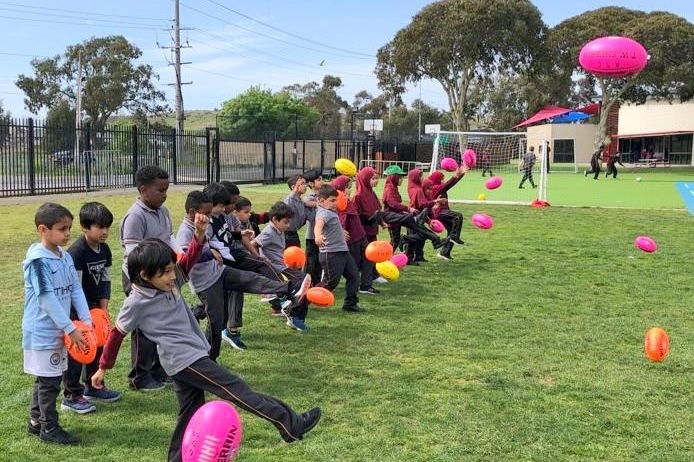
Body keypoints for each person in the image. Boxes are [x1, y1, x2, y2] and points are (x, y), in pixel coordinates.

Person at [92, 220, 321, 462]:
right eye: (166, 272)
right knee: (236, 389)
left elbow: (188, 260)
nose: (173, 276)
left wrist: (199, 235)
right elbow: (117, 333)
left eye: (172, 269)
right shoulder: (136, 301)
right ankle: (290, 424)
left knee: (189, 413)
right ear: (145, 275)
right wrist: (103, 368)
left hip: (189, 357)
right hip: (185, 360)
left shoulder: (169, 283)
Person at [23, 203, 93, 444]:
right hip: (42, 331)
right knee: (50, 381)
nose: (67, 234)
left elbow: (75, 288)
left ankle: (36, 421)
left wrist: (85, 321)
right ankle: (48, 428)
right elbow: (46, 298)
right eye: (62, 229)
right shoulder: (38, 261)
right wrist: (70, 328)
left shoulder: (64, 256)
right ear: (43, 229)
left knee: (47, 377)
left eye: (69, 228)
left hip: (60, 330)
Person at [120, 165, 179, 392]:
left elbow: (168, 237)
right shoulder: (135, 216)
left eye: (166, 190)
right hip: (140, 278)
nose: (164, 195)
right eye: (160, 190)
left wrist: (180, 254)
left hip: (159, 278)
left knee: (161, 324)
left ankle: (158, 369)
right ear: (143, 190)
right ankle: (139, 376)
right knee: (144, 328)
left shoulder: (162, 211)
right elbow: (134, 254)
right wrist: (142, 282)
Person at [63, 202, 121, 415]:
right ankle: (71, 395)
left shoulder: (104, 249)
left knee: (98, 346)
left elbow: (105, 280)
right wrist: (84, 316)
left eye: (107, 227)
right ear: (85, 228)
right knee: (79, 351)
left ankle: (93, 386)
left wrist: (102, 311)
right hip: (77, 311)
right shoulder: (77, 252)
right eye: (100, 227)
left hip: (95, 308)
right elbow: (74, 288)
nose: (105, 232)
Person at [252, 202, 312, 332]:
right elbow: (253, 244)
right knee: (305, 280)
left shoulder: (279, 229)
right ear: (274, 219)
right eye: (285, 222)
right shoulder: (269, 231)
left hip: (282, 266)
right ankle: (294, 316)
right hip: (278, 269)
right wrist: (261, 260)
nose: (288, 225)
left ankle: (282, 307)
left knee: (302, 283)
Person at [382, 165, 446, 264]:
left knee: (410, 233)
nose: (401, 180)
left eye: (402, 177)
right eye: (399, 177)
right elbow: (393, 204)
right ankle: (384, 259)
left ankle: (434, 240)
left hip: (400, 216)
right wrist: (408, 209)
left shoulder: (394, 188)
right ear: (393, 177)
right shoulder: (389, 189)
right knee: (396, 240)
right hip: (394, 218)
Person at [315, 184, 362, 312]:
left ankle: (350, 304)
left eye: (336, 200)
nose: (336, 203)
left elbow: (331, 225)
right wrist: (318, 235)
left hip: (342, 252)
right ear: (321, 201)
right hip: (331, 253)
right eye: (332, 200)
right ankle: (304, 299)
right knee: (330, 283)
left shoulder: (330, 211)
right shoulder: (323, 213)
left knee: (354, 277)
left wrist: (341, 230)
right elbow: (318, 225)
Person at [331, 175, 377, 295]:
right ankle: (330, 286)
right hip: (352, 239)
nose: (349, 190)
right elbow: (341, 217)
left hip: (360, 235)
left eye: (350, 187)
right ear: (340, 188)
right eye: (347, 187)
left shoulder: (347, 200)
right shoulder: (338, 201)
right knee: (353, 265)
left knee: (369, 258)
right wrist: (341, 230)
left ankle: (366, 285)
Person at [422, 164, 468, 261]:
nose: (443, 180)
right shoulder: (435, 187)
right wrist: (454, 176)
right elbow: (447, 184)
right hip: (439, 213)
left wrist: (461, 174)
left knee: (451, 230)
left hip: (444, 212)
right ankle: (454, 237)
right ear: (437, 179)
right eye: (442, 179)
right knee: (458, 216)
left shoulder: (440, 187)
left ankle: (445, 253)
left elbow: (450, 184)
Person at [352, 167, 382, 284]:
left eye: (377, 178)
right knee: (367, 255)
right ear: (365, 179)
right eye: (373, 178)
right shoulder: (358, 196)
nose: (376, 181)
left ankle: (373, 274)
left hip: (372, 228)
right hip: (364, 230)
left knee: (373, 253)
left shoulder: (371, 192)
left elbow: (377, 209)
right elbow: (357, 217)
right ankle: (366, 279)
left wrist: (381, 221)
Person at [301, 168, 323, 284]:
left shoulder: (323, 195)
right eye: (318, 180)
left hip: (322, 236)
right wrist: (320, 204)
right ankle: (309, 283)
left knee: (319, 261)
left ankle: (317, 282)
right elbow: (305, 201)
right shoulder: (311, 197)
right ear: (311, 183)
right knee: (311, 262)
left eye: (322, 179)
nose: (322, 181)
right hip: (312, 237)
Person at [283, 174, 309, 248]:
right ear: (293, 187)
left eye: (305, 183)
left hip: (294, 234)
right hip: (287, 235)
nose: (305, 186)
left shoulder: (300, 201)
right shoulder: (289, 200)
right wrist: (294, 191)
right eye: (302, 184)